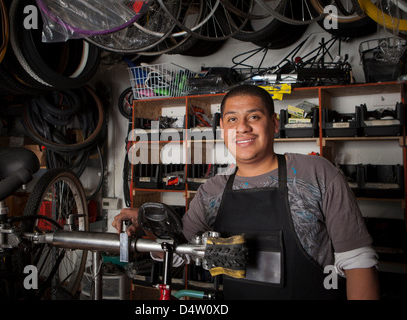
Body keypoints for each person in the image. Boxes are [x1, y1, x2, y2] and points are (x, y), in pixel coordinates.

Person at [113, 84, 380, 300]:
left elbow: (358, 262)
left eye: (254, 116)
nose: (242, 127)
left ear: (274, 124)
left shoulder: (316, 172)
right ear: (224, 129)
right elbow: (176, 254)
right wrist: (150, 223)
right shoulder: (211, 191)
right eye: (232, 119)